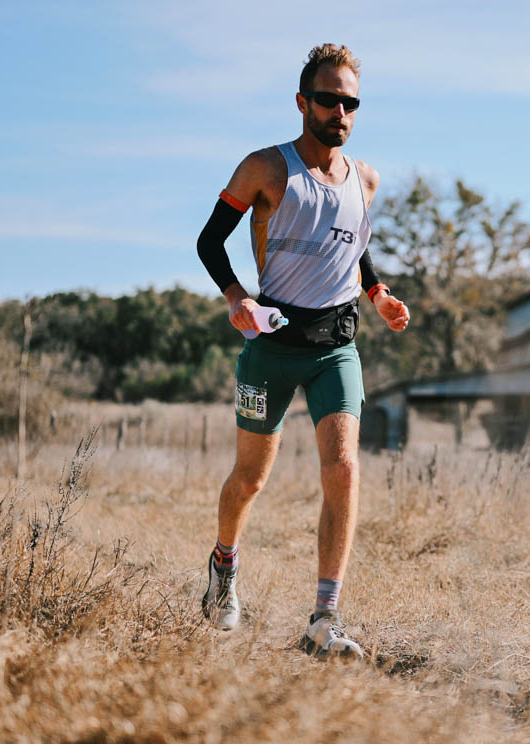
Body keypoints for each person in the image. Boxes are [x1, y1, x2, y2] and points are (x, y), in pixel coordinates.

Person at [195, 43, 409, 658]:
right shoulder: (265, 168)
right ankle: (224, 566)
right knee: (250, 479)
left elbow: (353, 243)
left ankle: (324, 617)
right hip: (272, 345)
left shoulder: (365, 179)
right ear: (302, 102)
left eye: (350, 102)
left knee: (343, 468)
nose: (340, 110)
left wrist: (378, 293)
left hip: (336, 347)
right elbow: (211, 241)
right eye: (328, 98)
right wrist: (237, 297)